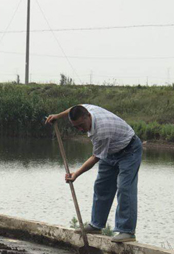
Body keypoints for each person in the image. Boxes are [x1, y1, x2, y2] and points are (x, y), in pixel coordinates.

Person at [46, 104, 142, 243]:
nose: (80, 129)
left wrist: (76, 174)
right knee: (101, 186)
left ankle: (127, 231)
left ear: (88, 116)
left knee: (124, 188)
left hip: (129, 151)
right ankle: (96, 225)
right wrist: (58, 116)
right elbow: (74, 108)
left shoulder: (101, 130)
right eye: (76, 127)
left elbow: (95, 157)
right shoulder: (85, 109)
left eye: (81, 125)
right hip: (110, 150)